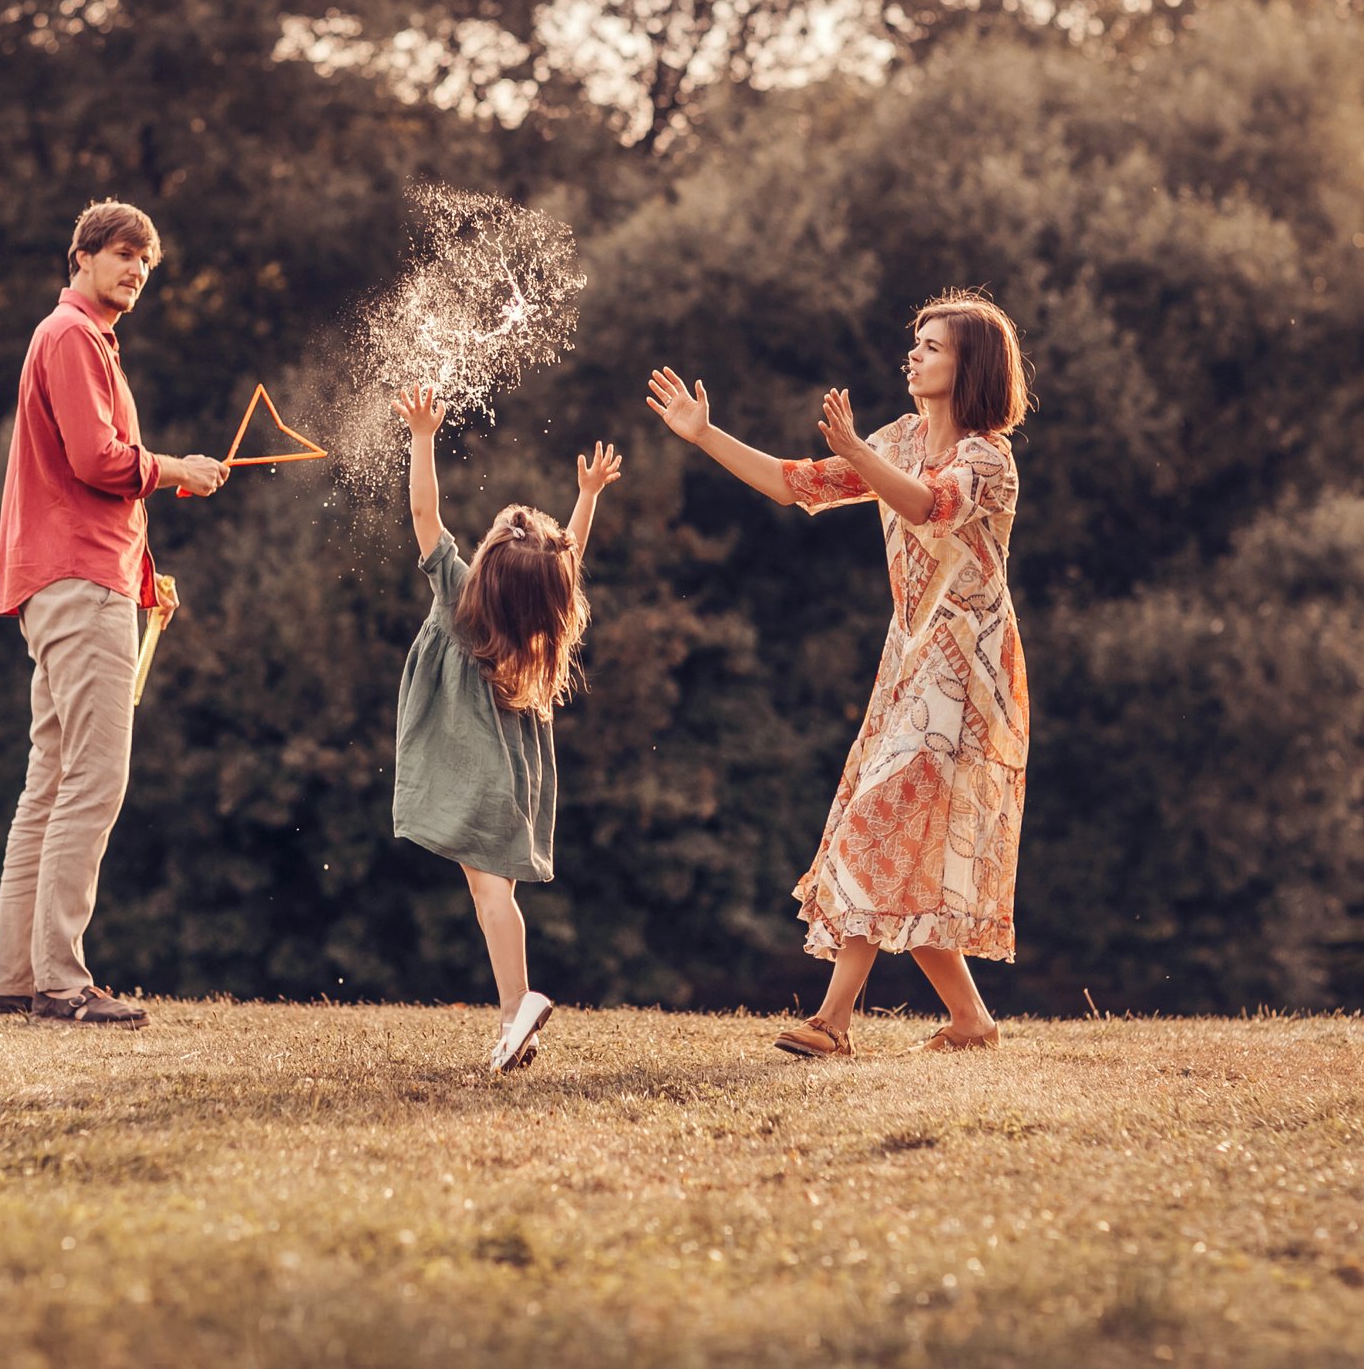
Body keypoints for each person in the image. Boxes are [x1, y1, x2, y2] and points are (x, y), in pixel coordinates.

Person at [646, 291, 1033, 1058]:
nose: (914, 353)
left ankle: (832, 1021)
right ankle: (972, 1023)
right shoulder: (898, 437)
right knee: (901, 843)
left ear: (971, 364)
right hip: (912, 662)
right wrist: (703, 434)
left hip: (971, 673)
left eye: (933, 344)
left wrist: (862, 454)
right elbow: (796, 483)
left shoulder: (987, 458)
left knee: (874, 819)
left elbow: (930, 504)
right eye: (915, 341)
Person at [0, 201, 230, 1028]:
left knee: (50, 782)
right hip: (78, 585)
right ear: (83, 256)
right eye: (123, 254)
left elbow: (87, 484)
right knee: (94, 779)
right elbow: (97, 461)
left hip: (74, 580)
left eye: (146, 263)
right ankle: (62, 982)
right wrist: (181, 469)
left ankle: (18, 980)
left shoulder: (78, 340)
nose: (135, 271)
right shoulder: (72, 337)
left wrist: (144, 576)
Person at [390, 383, 621, 1072]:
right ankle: (514, 1023)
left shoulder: (459, 594)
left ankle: (518, 1006)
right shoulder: (533, 624)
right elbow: (565, 555)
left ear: (487, 561)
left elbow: (424, 509)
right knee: (494, 895)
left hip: (474, 772)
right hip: (510, 775)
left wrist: (424, 436)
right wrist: (589, 496)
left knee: (491, 894)